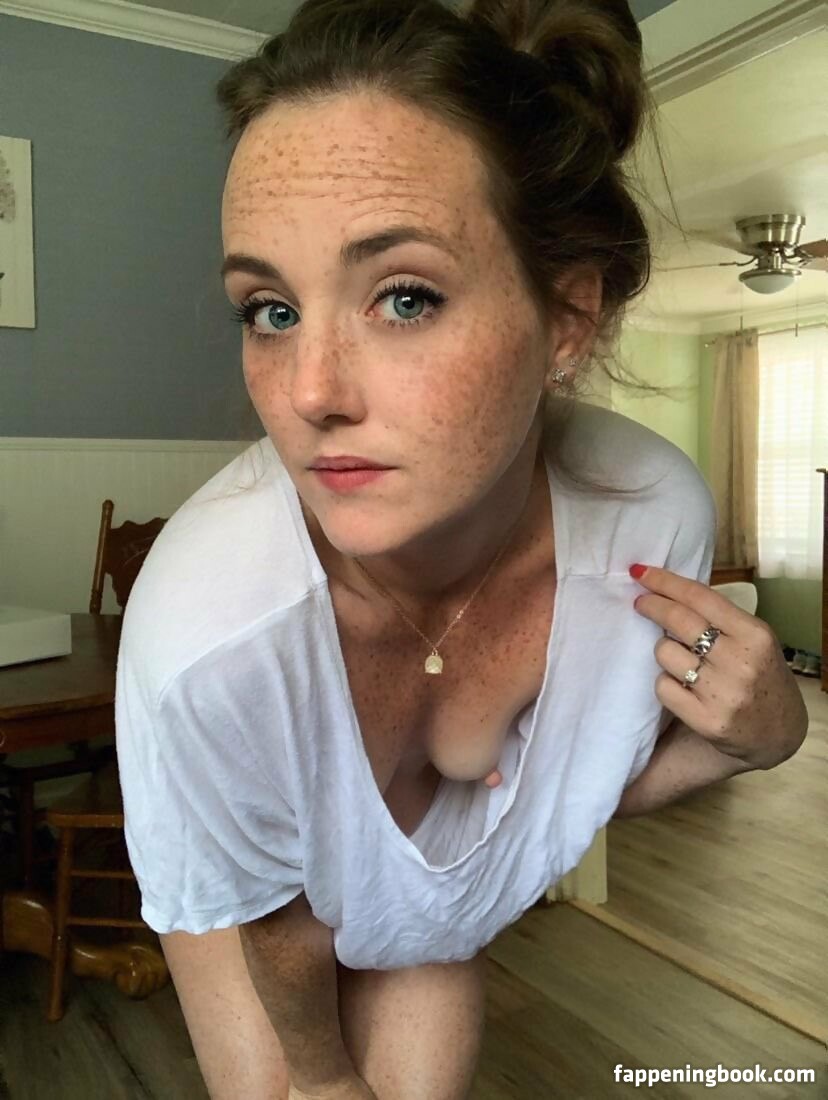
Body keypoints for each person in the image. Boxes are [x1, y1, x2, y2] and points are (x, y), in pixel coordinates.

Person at [114, 1, 720, 1097]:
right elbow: (279, 922)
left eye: (404, 296)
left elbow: (585, 783)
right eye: (270, 309)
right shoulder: (214, 635)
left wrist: (757, 739)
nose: (310, 394)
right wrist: (325, 1080)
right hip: (258, 895)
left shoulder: (645, 524)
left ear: (568, 318)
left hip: (434, 887)